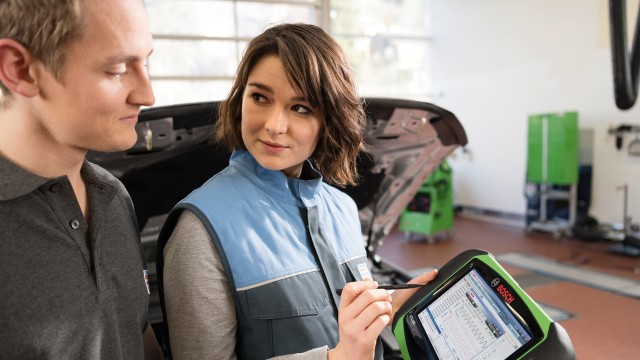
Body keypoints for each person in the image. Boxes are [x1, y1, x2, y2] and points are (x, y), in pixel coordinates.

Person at [156, 23, 437, 360]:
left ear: (329, 120)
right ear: (239, 98)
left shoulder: (344, 209)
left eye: (300, 107)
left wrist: (383, 308)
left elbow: (345, 328)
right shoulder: (198, 230)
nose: (274, 125)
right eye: (259, 97)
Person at [0, 0, 163, 359]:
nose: (147, 95)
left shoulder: (113, 194)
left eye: (145, 62)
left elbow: (133, 331)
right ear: (21, 69)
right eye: (118, 69)